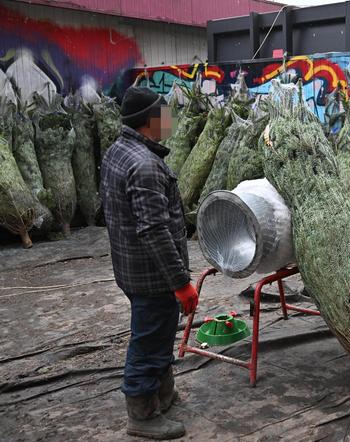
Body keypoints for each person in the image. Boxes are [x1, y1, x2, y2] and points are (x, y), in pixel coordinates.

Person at [100, 87, 198, 439]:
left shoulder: (118, 151)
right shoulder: (144, 166)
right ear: (148, 123)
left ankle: (162, 395)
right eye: (165, 114)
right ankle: (141, 415)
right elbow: (155, 231)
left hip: (131, 269)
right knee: (149, 341)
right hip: (153, 276)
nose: (170, 120)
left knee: (155, 334)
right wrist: (181, 283)